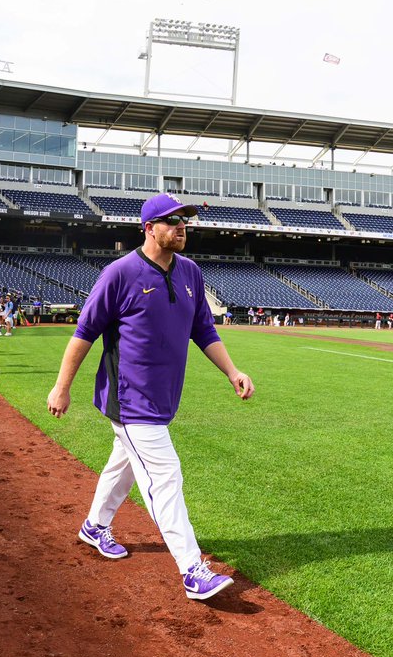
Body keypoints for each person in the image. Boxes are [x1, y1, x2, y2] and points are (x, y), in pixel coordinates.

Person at [47, 192, 255, 602]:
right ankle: (192, 569)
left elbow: (204, 332)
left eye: (185, 221)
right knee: (164, 475)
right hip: (129, 399)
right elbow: (84, 334)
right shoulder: (119, 274)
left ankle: (94, 526)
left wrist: (233, 371)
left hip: (163, 397)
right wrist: (61, 386)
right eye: (173, 222)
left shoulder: (191, 273)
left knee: (123, 465)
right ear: (149, 229)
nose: (182, 228)